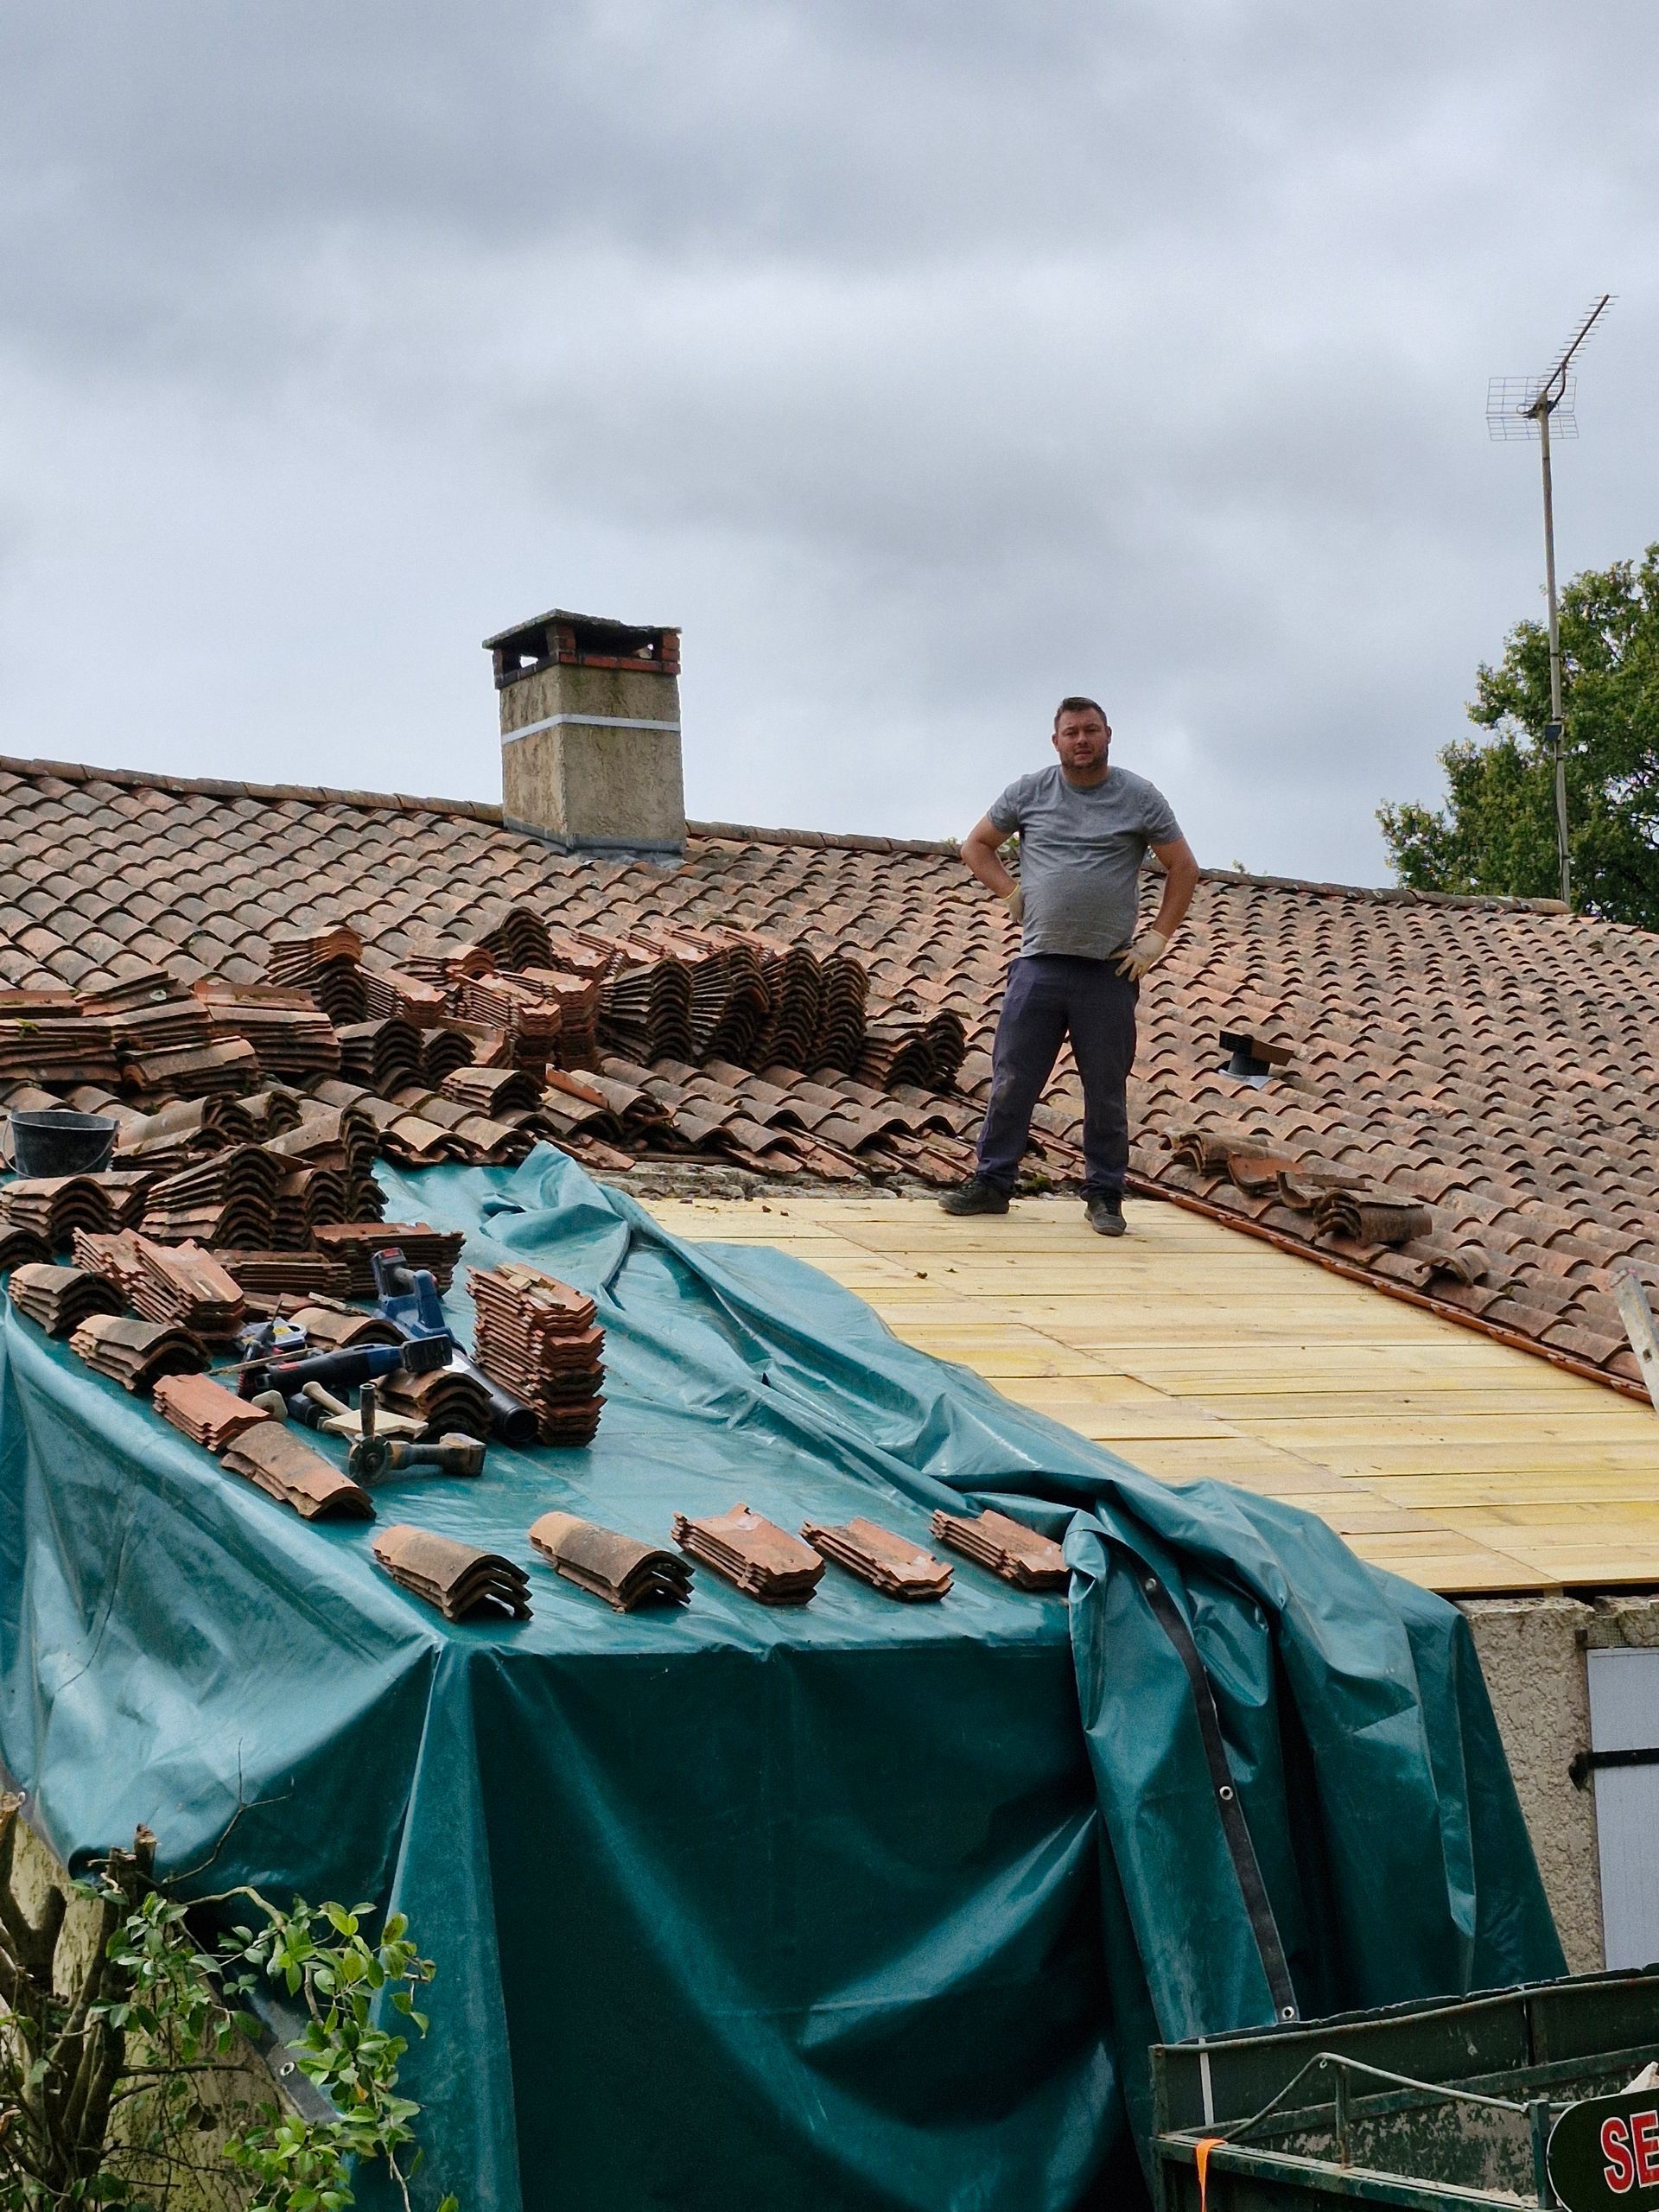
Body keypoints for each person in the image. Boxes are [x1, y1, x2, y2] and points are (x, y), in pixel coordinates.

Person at [941, 696, 1199, 1236]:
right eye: (1071, 732)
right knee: (1013, 1077)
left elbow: (1183, 867)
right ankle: (992, 1183)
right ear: (1055, 741)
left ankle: (1105, 1195)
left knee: (1104, 1089)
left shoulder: (1139, 797)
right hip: (1038, 963)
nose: (1081, 740)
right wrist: (1009, 891)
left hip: (1108, 971)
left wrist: (1156, 939)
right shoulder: (1029, 791)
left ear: (1109, 735)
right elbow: (977, 846)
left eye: (1091, 730)